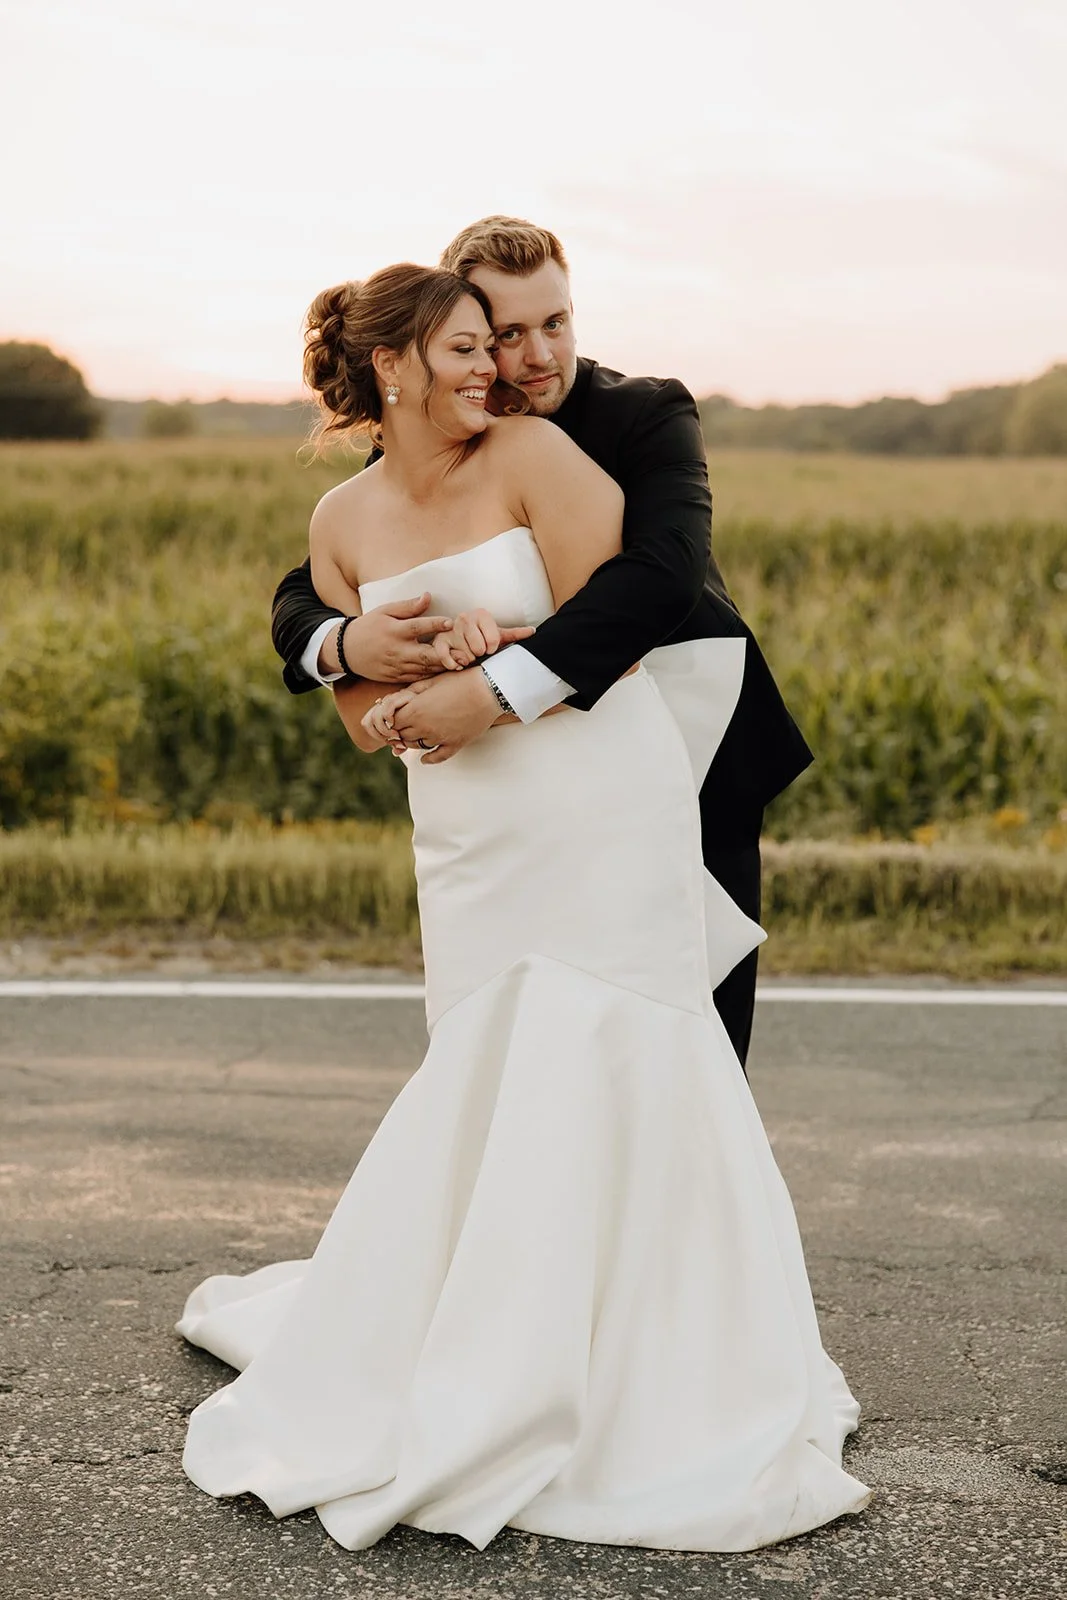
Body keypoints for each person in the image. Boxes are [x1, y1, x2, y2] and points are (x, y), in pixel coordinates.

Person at [178, 263, 869, 1553]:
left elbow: (627, 609)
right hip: (466, 837)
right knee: (491, 1070)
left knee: (621, 1045)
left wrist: (489, 666)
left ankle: (652, 1362)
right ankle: (482, 1335)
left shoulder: (547, 450)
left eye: (508, 338)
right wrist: (379, 660)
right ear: (391, 366)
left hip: (595, 798)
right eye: (466, 345)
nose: (497, 365)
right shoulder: (339, 517)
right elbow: (356, 709)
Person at [271, 217, 813, 1070]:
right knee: (522, 1047)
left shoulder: (642, 412)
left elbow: (659, 580)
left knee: (689, 1035)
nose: (534, 357)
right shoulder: (432, 436)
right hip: (500, 802)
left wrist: (486, 691)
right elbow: (306, 587)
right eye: (504, 335)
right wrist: (341, 644)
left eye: (554, 323)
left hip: (689, 747)